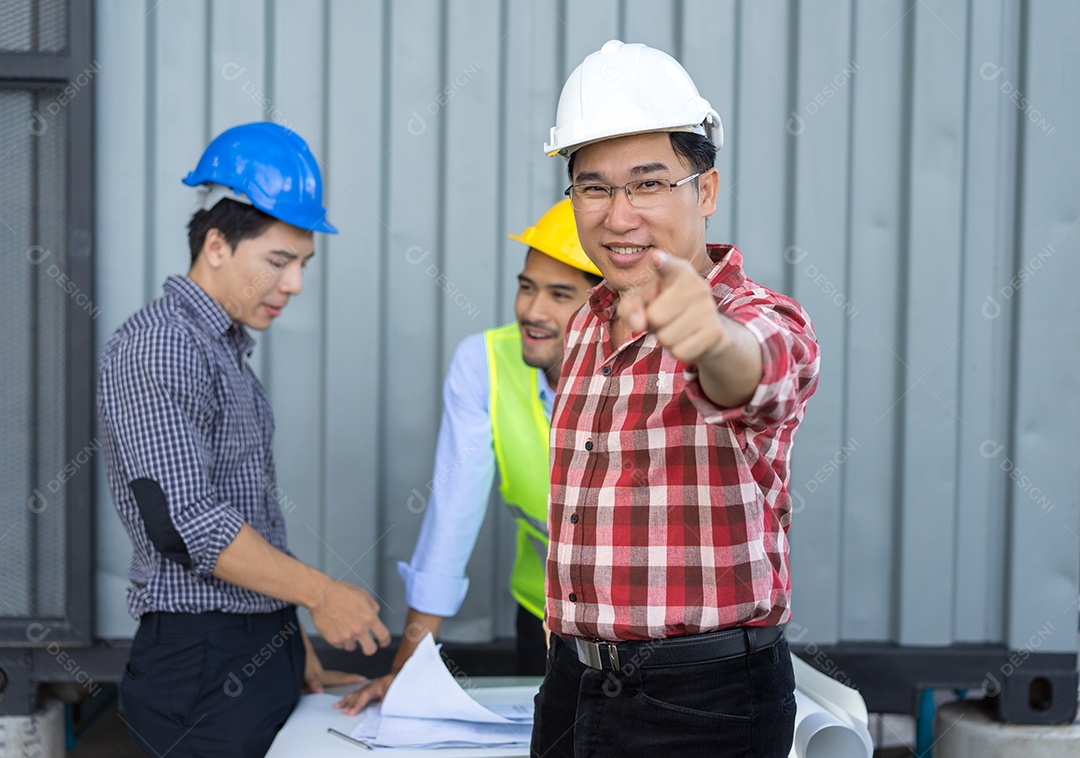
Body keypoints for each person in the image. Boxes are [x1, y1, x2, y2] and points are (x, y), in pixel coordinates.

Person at [531, 41, 821, 757]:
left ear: (707, 192)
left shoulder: (760, 316)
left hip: (703, 707)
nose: (618, 214)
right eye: (593, 187)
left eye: (649, 183)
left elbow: (759, 371)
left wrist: (711, 341)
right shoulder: (587, 325)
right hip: (572, 685)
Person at [98, 122, 390, 757]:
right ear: (216, 245)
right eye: (279, 262)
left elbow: (241, 513)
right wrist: (320, 594)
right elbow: (185, 521)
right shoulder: (161, 343)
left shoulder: (219, 348)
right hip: (201, 663)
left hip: (253, 646)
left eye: (303, 264)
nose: (295, 285)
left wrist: (291, 645)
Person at [336, 200, 601, 715]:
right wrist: (406, 667)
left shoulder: (651, 369)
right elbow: (451, 516)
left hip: (644, 626)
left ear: (605, 304)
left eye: (559, 294)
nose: (531, 311)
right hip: (542, 614)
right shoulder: (483, 362)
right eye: (527, 287)